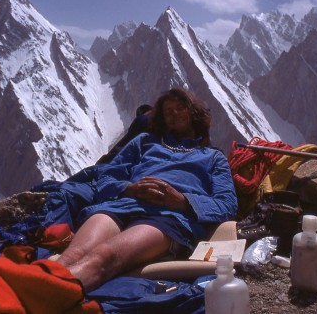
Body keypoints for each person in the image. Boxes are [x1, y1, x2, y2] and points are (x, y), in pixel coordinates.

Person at [56, 88, 238, 291]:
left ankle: (45, 296)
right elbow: (107, 176)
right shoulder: (144, 142)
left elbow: (227, 204)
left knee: (103, 257)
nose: (175, 114)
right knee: (72, 255)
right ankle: (30, 289)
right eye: (168, 111)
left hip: (166, 218)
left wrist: (183, 201)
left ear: (193, 112)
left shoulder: (213, 157)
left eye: (180, 108)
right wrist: (129, 189)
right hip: (121, 206)